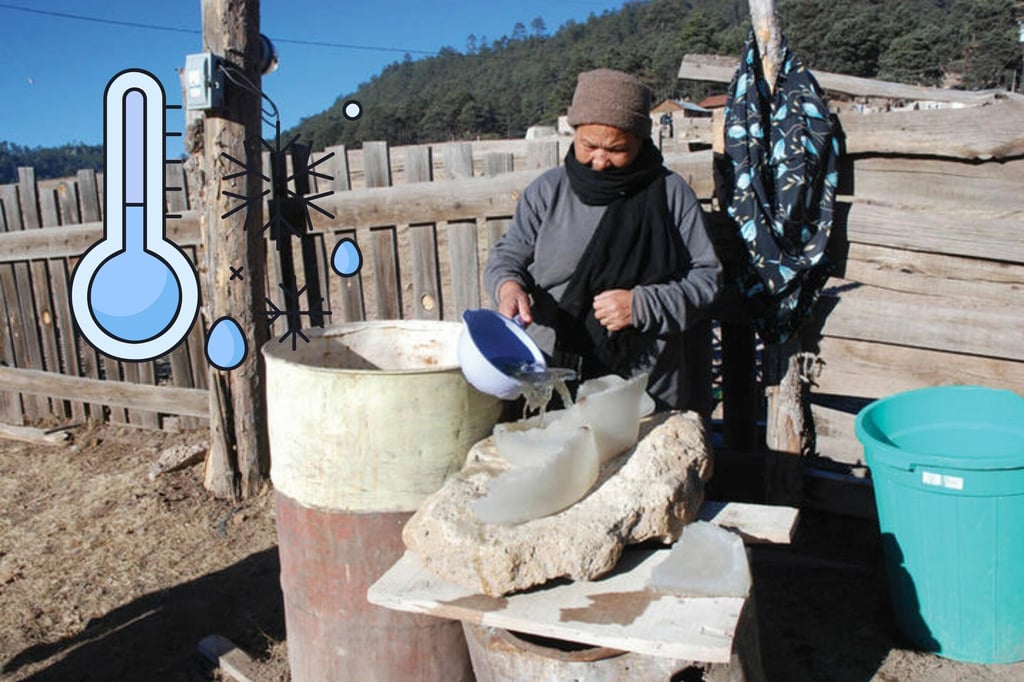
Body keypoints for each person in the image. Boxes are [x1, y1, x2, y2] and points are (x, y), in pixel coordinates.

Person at [483, 68, 722, 412]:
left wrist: (643, 305)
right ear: (574, 134)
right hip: (552, 376)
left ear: (641, 140)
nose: (599, 160)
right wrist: (507, 287)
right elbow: (508, 256)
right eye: (588, 145)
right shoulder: (547, 192)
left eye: (616, 149)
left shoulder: (670, 195)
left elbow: (707, 280)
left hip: (643, 385)